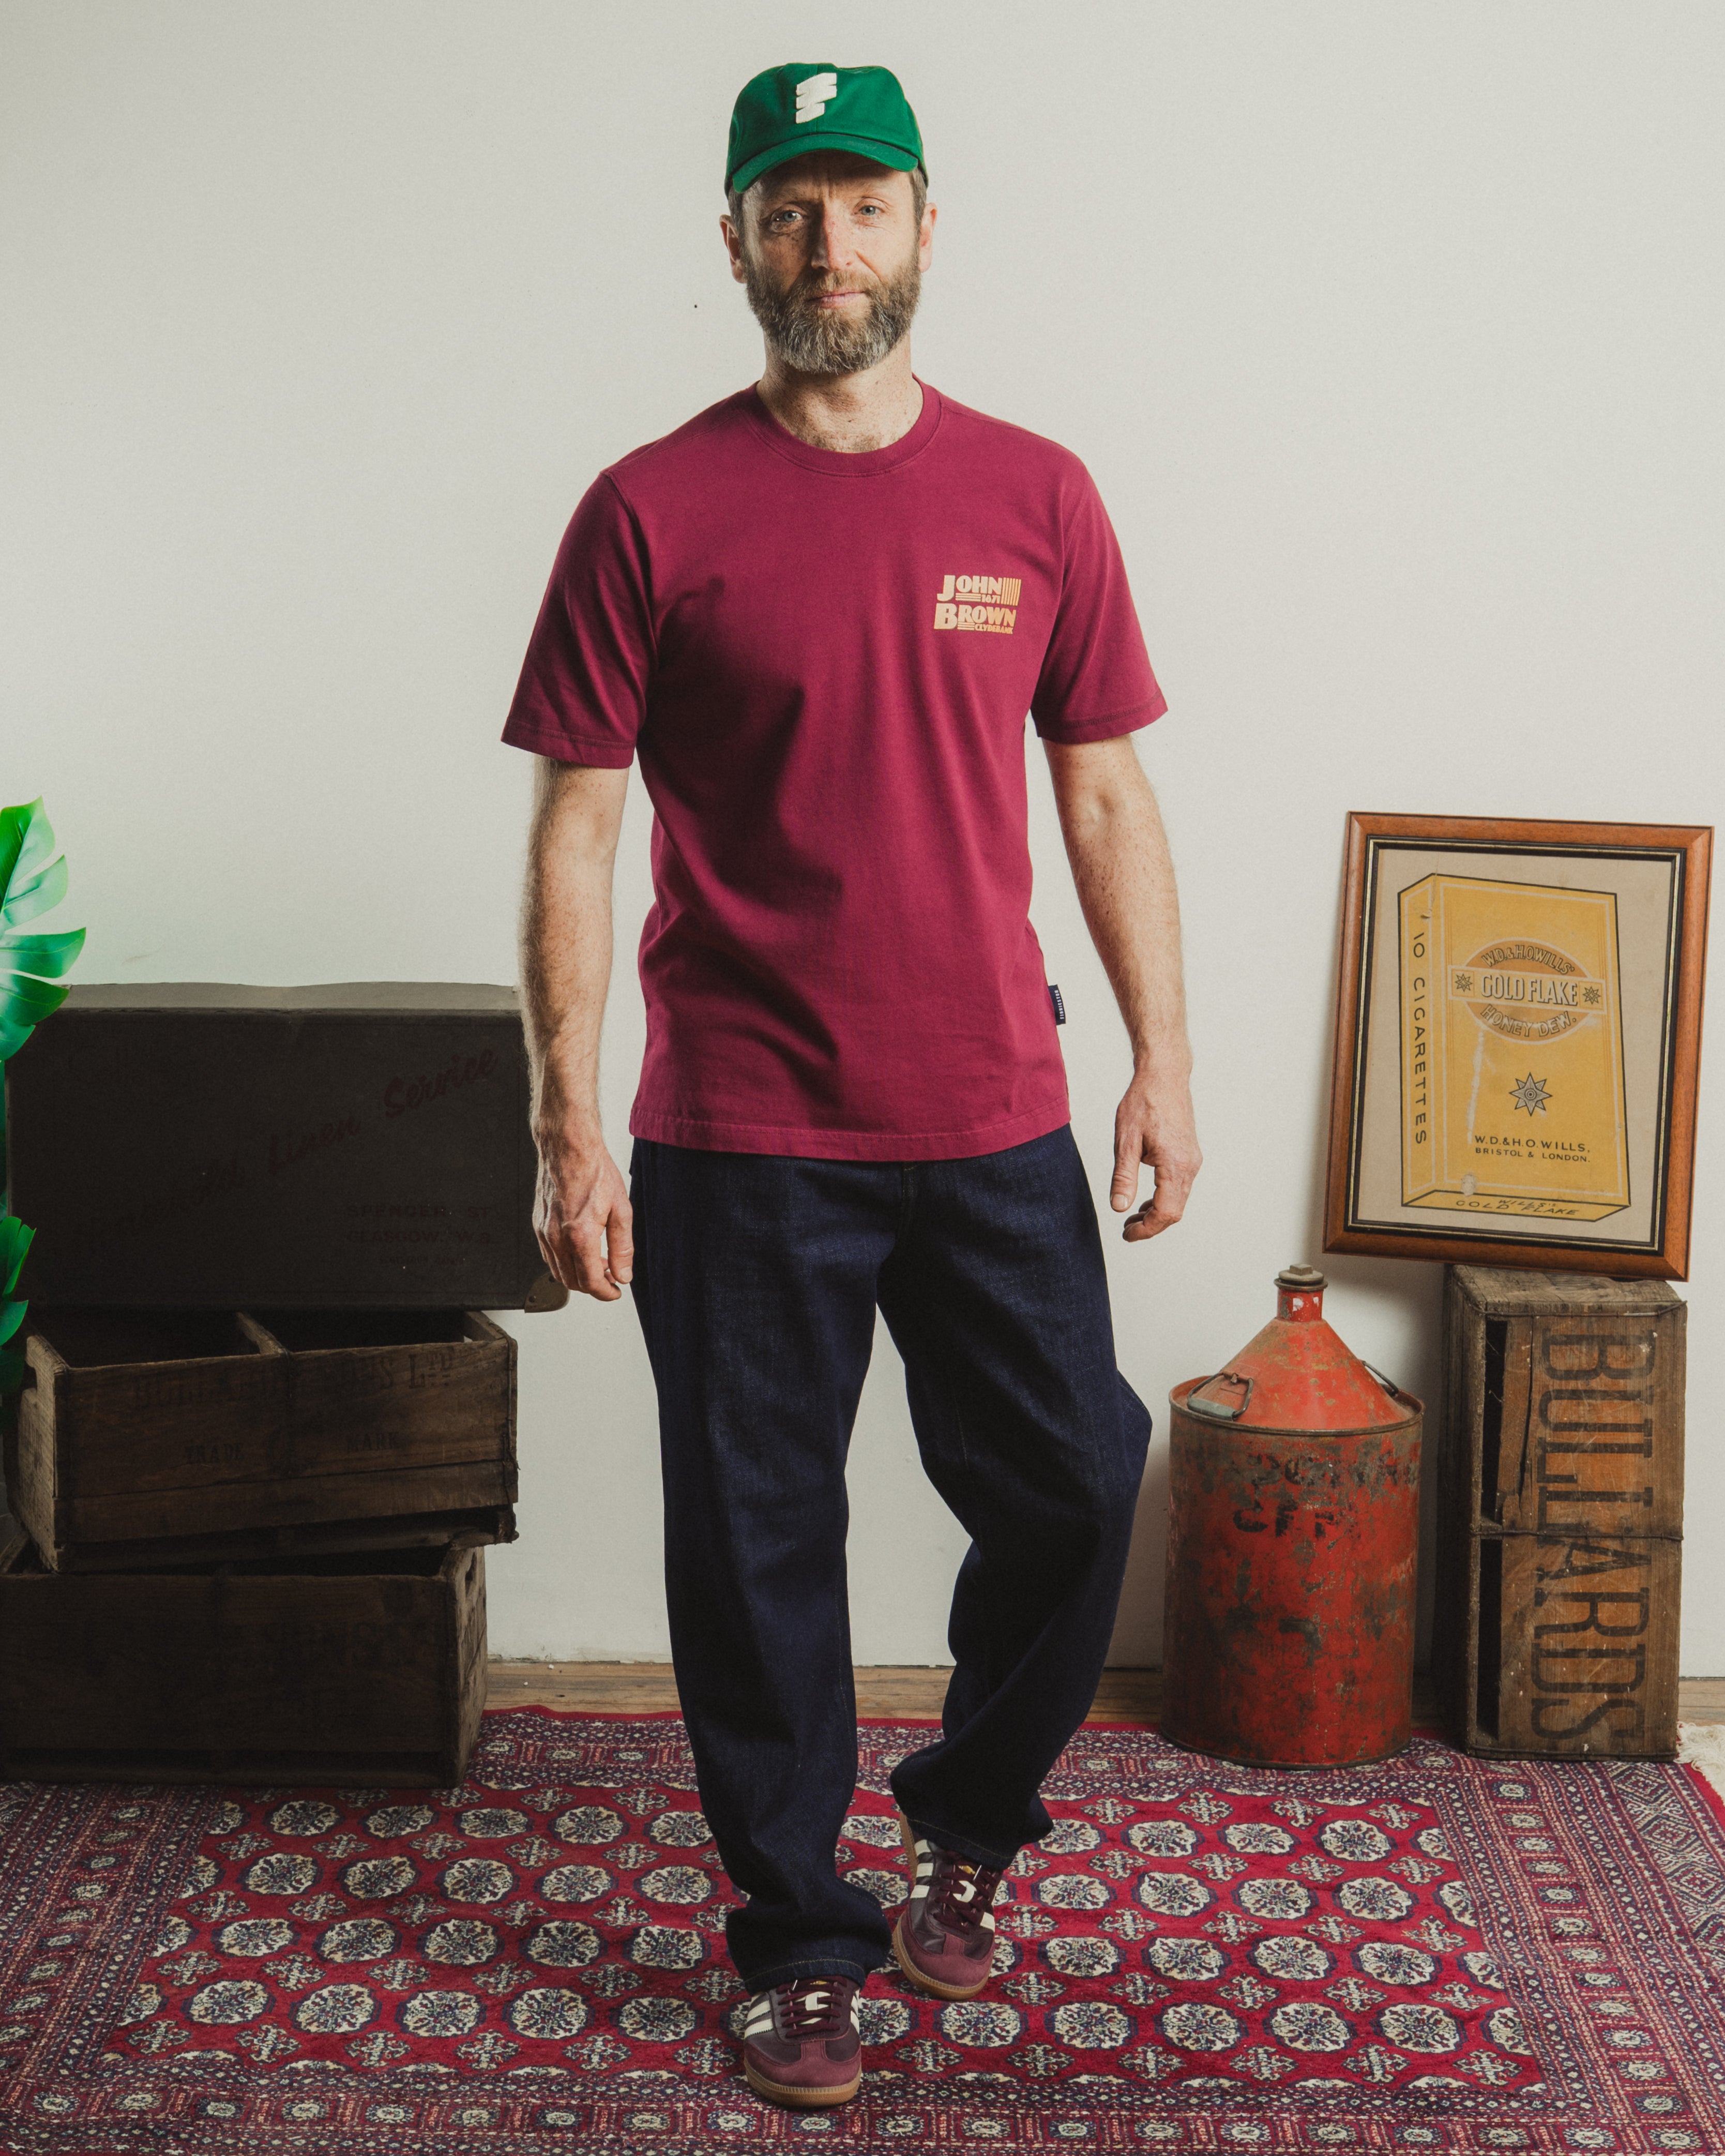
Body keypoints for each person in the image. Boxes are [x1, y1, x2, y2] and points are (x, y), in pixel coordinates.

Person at [505, 61, 1200, 2112]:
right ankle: (799, 1935)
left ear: (925, 224)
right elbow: (576, 822)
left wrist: (1165, 1054)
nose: (830, 248)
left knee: (1077, 1476)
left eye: (866, 205)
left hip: (988, 1103)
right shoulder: (650, 508)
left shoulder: (1038, 494)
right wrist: (566, 1110)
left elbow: (1102, 782)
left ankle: (968, 1811)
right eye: (789, 210)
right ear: (732, 238)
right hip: (733, 1126)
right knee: (754, 1544)